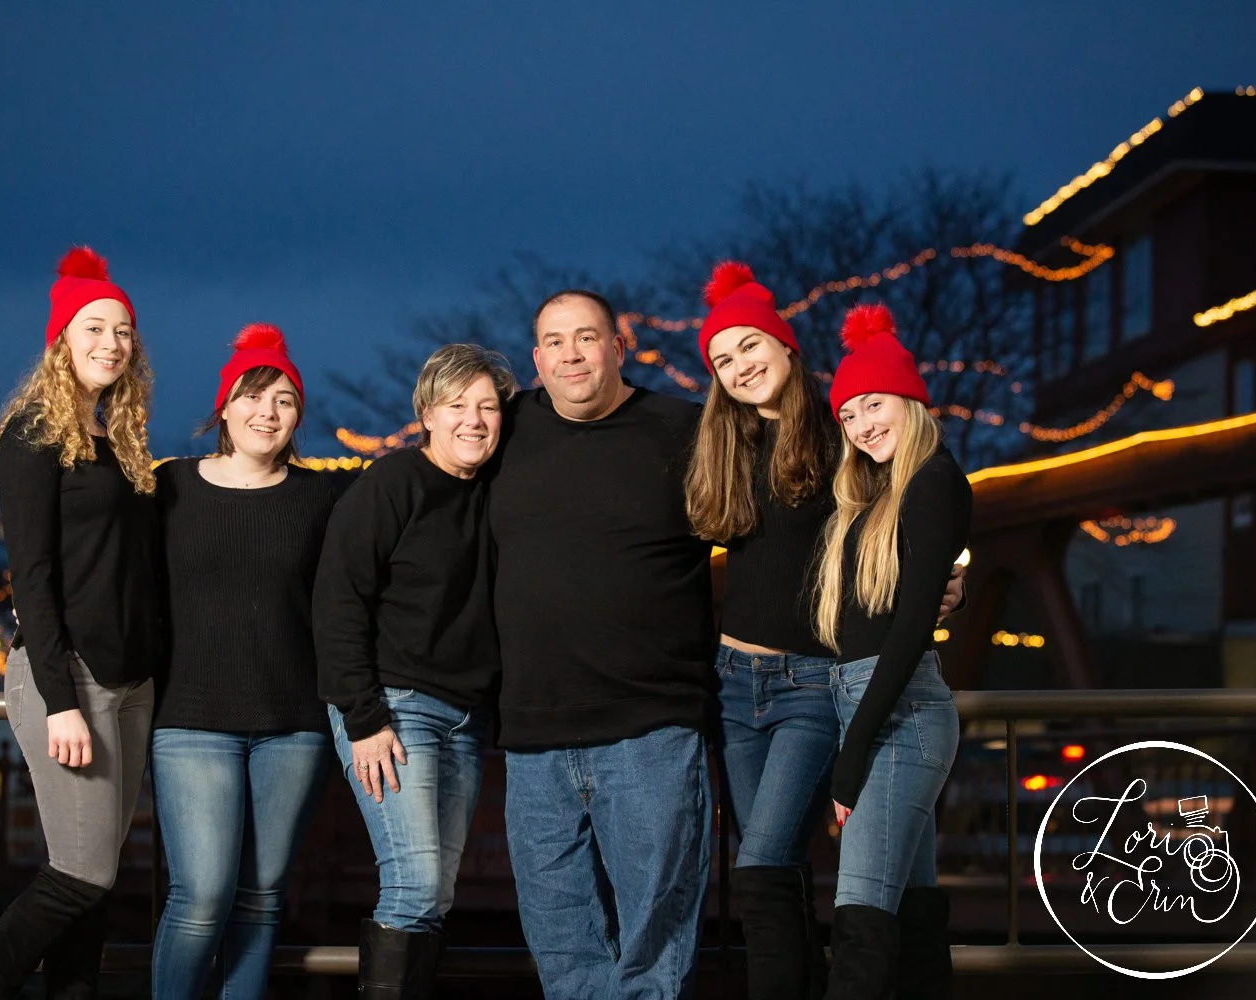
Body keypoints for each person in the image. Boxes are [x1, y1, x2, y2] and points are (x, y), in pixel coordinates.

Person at [685, 264, 965, 999]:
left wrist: (947, 587)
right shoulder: (719, 440)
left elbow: (909, 526)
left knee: (768, 861)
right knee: (783, 869)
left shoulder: (841, 428)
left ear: (786, 346)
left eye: (752, 347)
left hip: (816, 678)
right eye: (723, 359)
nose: (742, 366)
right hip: (734, 682)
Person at [489, 290, 714, 999]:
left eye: (587, 338)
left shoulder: (683, 430)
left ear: (620, 348)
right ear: (536, 359)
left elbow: (777, 531)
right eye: (555, 342)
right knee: (563, 951)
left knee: (654, 948)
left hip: (649, 729)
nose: (571, 355)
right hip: (532, 735)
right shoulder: (505, 427)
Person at [0, 247, 160, 999]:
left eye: (124, 330)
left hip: (132, 684)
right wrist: (59, 701)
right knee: (80, 873)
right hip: (69, 678)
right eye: (95, 327)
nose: (112, 342)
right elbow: (34, 582)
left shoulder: (121, 442)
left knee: (97, 886)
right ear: (61, 340)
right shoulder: (33, 436)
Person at [315, 343, 515, 998]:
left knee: (438, 891)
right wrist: (364, 717)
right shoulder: (391, 485)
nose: (474, 420)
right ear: (426, 413)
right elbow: (338, 601)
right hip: (393, 709)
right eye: (457, 405)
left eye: (488, 406)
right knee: (414, 883)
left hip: (465, 718)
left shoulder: (499, 492)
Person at [149, 324, 335, 1000]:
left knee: (261, 897)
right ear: (224, 407)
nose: (268, 412)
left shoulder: (322, 500)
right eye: (254, 396)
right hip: (192, 719)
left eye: (285, 401)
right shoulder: (169, 490)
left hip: (295, 724)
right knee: (200, 895)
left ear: (298, 417)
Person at [815, 303, 971, 999]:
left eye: (873, 404)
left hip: (899, 715)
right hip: (873, 704)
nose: (861, 425)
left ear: (912, 400)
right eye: (848, 414)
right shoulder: (878, 491)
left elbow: (909, 631)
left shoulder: (935, 480)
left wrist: (850, 760)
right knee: (909, 915)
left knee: (861, 915)